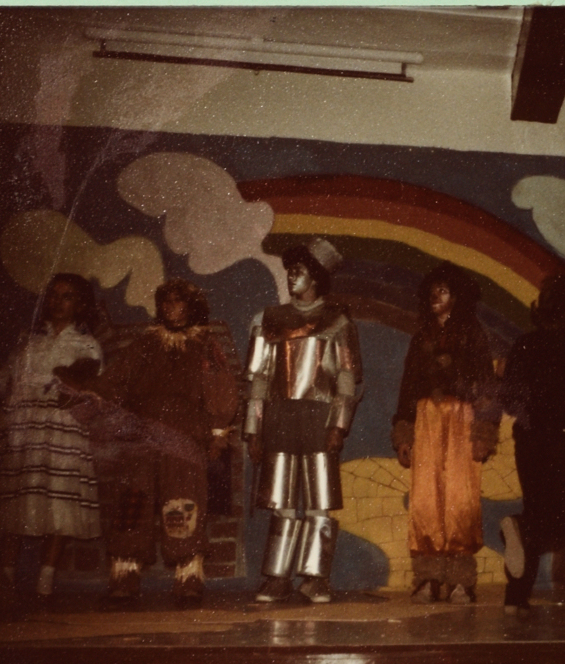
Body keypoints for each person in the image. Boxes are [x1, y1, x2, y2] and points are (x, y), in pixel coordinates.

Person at [60, 278, 238, 606]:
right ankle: (124, 575)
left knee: (182, 504)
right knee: (132, 502)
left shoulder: (205, 345)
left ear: (192, 306)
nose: (172, 308)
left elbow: (221, 389)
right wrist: (91, 392)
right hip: (140, 437)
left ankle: (188, 576)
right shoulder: (145, 344)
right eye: (166, 302)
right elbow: (117, 379)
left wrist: (217, 432)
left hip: (183, 438)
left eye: (179, 302)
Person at [243, 237, 362, 604]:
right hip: (279, 418)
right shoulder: (269, 319)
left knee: (317, 503)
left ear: (316, 277)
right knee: (280, 501)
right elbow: (259, 379)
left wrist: (338, 426)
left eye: (299, 271)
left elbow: (345, 379)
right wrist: (253, 430)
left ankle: (315, 578)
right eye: (289, 270)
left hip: (318, 419)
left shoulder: (337, 320)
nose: (292, 276)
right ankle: (277, 577)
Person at [392, 262, 499, 604]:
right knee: (425, 501)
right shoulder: (422, 336)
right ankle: (428, 578)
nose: (434, 297)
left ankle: (461, 580)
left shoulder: (473, 333)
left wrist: (483, 433)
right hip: (426, 421)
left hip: (461, 420)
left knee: (460, 500)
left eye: (443, 291)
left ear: (458, 296)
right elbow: (408, 388)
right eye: (432, 291)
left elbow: (486, 385)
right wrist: (405, 435)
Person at [0, 273, 103, 602]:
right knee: (19, 497)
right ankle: (6, 576)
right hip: (25, 425)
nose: (58, 302)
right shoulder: (28, 340)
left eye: (67, 296)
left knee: (59, 499)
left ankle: (46, 578)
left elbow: (87, 389)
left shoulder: (87, 345)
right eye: (53, 295)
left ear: (80, 304)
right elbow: (6, 381)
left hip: (61, 428)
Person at [498, 273, 565, 618]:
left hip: (530, 440)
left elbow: (509, 398)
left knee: (536, 511)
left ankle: (516, 598)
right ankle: (518, 530)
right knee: (555, 528)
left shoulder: (525, 344)